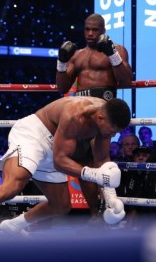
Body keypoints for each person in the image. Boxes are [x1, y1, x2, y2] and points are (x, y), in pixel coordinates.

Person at [0, 97, 131, 239]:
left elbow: (102, 161)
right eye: (112, 131)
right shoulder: (75, 114)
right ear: (101, 118)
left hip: (56, 145)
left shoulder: (107, 120)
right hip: (33, 135)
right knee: (12, 186)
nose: (113, 136)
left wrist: (111, 196)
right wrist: (93, 174)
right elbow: (61, 161)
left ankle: (13, 225)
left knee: (61, 204)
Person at [55, 13, 133, 220]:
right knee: (84, 164)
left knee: (100, 159)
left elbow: (126, 81)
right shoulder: (77, 55)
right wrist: (61, 62)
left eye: (95, 30)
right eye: (87, 29)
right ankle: (96, 215)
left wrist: (112, 54)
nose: (90, 33)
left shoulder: (117, 49)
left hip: (103, 110)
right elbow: (61, 87)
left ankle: (113, 208)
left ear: (103, 30)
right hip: (80, 110)